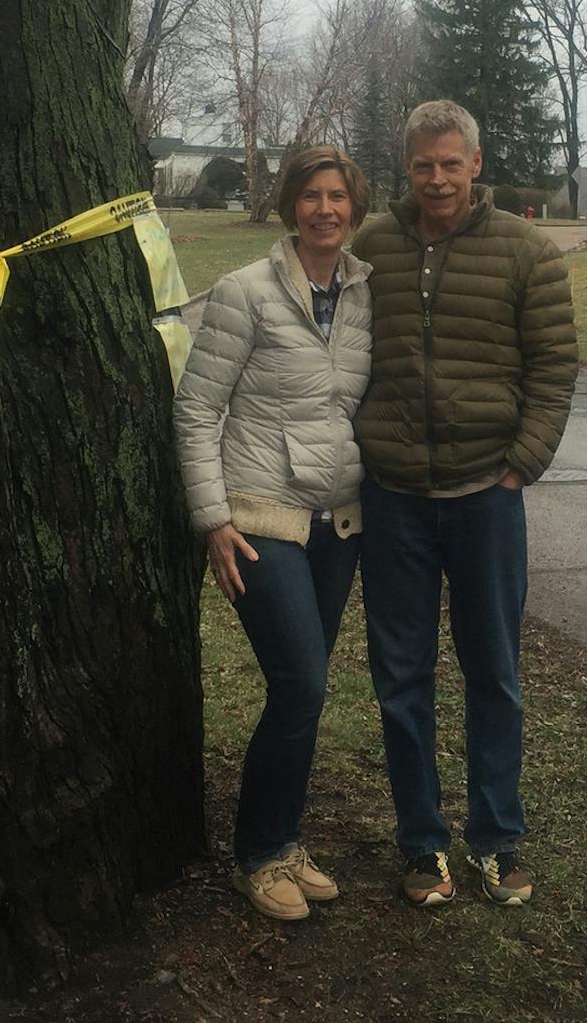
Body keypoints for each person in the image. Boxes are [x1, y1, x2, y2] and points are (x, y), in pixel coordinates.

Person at [352, 100, 578, 907]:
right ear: (405, 167)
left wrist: (522, 465)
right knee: (401, 678)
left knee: (494, 673)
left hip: (487, 496)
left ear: (475, 164)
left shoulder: (527, 251)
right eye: (423, 165)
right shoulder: (371, 246)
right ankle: (422, 845)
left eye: (451, 163)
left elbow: (554, 368)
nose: (438, 179)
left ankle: (496, 839)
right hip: (394, 502)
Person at [173, 145, 374, 922]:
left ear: (354, 205)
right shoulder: (244, 293)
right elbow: (196, 410)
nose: (326, 209)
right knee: (302, 682)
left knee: (305, 692)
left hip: (339, 523)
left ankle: (286, 840)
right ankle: (257, 855)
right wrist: (213, 519)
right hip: (261, 520)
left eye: (339, 196)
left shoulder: (362, 294)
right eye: (312, 196)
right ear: (292, 204)